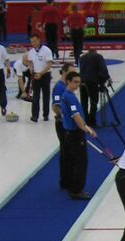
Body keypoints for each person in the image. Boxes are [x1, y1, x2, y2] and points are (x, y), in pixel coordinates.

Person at [60, 71, 96, 200]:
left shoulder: (66, 95)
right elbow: (76, 116)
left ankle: (70, 185)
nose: (77, 85)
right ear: (68, 81)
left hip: (69, 133)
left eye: (79, 83)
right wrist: (87, 129)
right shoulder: (70, 97)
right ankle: (76, 190)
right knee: (81, 162)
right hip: (75, 134)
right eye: (75, 82)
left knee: (71, 160)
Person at [52, 62, 76, 190]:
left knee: (70, 152)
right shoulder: (59, 88)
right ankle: (65, 180)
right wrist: (66, 117)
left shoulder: (67, 87)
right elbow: (55, 106)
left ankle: (69, 178)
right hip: (62, 124)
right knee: (65, 152)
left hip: (68, 124)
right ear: (65, 72)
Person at [78, 48, 110, 127]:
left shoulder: (82, 57)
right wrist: (105, 79)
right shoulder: (98, 57)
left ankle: (85, 120)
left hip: (82, 82)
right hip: (92, 82)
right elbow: (103, 70)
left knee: (84, 102)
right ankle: (92, 121)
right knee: (94, 102)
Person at [26, 33, 52, 122]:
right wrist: (30, 68)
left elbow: (49, 64)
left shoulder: (46, 50)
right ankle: (34, 116)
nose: (33, 43)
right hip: (35, 75)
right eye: (32, 42)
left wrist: (41, 74)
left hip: (45, 75)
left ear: (39, 40)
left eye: (35, 41)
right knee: (35, 96)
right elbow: (29, 62)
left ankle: (46, 115)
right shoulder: (31, 51)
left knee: (46, 96)